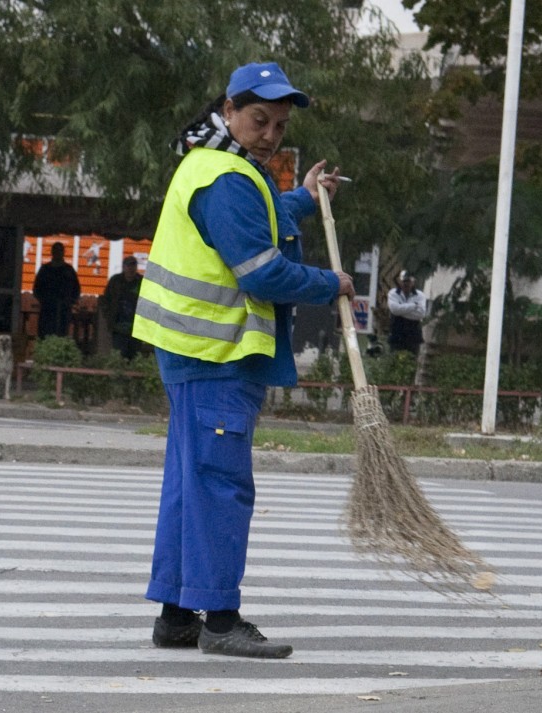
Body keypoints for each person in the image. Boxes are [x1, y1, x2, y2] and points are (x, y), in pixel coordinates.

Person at [132, 61, 354, 659]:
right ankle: (220, 619)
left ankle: (177, 616)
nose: (271, 134)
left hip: (195, 354)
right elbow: (260, 271)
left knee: (191, 484)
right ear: (228, 109)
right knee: (221, 486)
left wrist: (304, 200)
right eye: (260, 120)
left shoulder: (219, 166)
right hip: (216, 355)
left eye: (280, 126)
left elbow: (262, 220)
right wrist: (327, 283)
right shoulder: (225, 177)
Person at [32, 241, 80, 339]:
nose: (58, 253)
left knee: (61, 336)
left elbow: (77, 289)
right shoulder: (45, 269)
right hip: (47, 311)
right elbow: (36, 288)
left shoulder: (69, 270)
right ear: (52, 252)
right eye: (55, 250)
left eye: (60, 251)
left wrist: (70, 302)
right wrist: (45, 300)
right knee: (45, 335)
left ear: (63, 252)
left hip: (63, 311)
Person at [101, 255, 144, 359]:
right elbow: (105, 299)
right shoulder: (115, 281)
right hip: (118, 328)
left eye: (133, 265)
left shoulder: (142, 282)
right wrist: (108, 316)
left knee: (134, 357)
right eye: (128, 266)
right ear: (123, 267)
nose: (131, 268)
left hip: (136, 329)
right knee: (119, 356)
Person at [387, 269, 427, 355]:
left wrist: (401, 310)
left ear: (413, 282)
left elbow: (421, 313)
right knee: (394, 362)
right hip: (396, 335)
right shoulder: (393, 293)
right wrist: (413, 306)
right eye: (404, 281)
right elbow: (394, 310)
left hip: (413, 336)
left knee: (412, 363)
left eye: (409, 281)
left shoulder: (420, 295)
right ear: (399, 281)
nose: (406, 284)